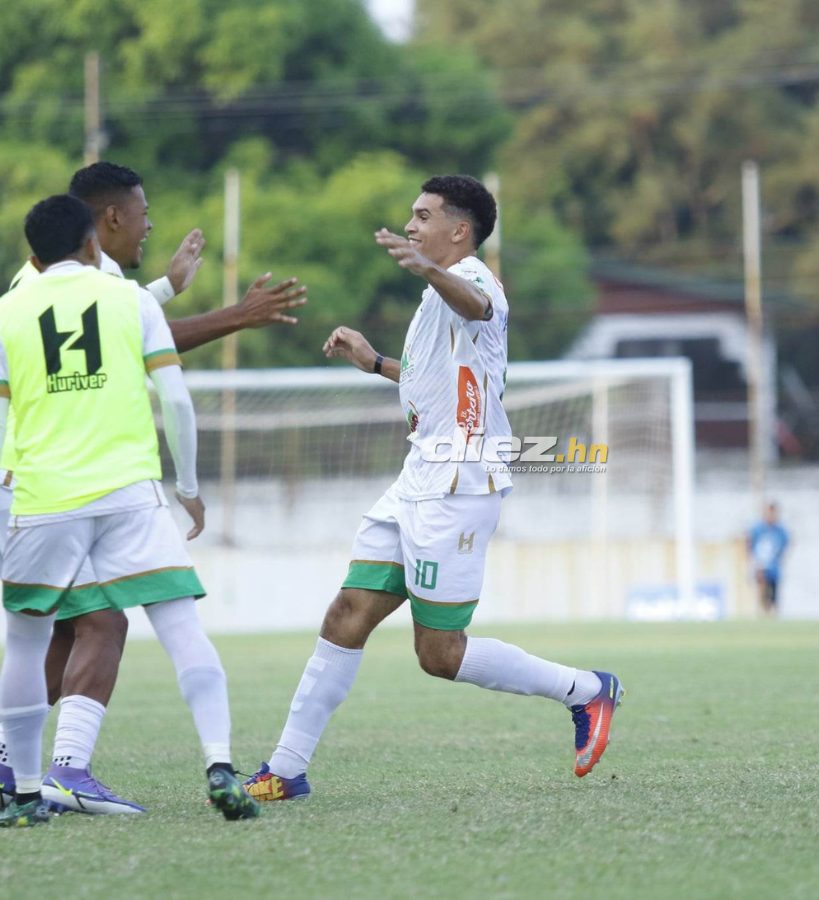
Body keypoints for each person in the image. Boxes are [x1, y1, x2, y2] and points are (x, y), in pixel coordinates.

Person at [240, 175, 625, 804]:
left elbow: (478, 309)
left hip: (461, 481)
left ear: (459, 231)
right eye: (411, 218)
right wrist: (374, 363)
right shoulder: (436, 296)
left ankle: (585, 690)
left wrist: (425, 269)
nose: (411, 225)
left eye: (423, 217)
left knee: (439, 654)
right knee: (346, 615)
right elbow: (431, 382)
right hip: (418, 475)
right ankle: (286, 767)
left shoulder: (474, 280)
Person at [0, 162, 306, 815]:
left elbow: (103, 322)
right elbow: (123, 339)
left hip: (24, 481)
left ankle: (4, 768)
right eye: (143, 214)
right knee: (103, 620)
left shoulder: (53, 285)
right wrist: (235, 314)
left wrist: (169, 287)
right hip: (28, 480)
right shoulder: (83, 291)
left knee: (69, 628)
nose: (150, 226)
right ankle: (66, 773)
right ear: (103, 225)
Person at [747, 503, 791, 616]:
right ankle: (762, 613)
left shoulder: (780, 531)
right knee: (762, 591)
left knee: (774, 594)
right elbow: (750, 544)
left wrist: (780, 559)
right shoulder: (757, 529)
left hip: (774, 567)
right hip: (761, 566)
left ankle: (773, 615)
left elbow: (785, 546)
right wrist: (754, 562)